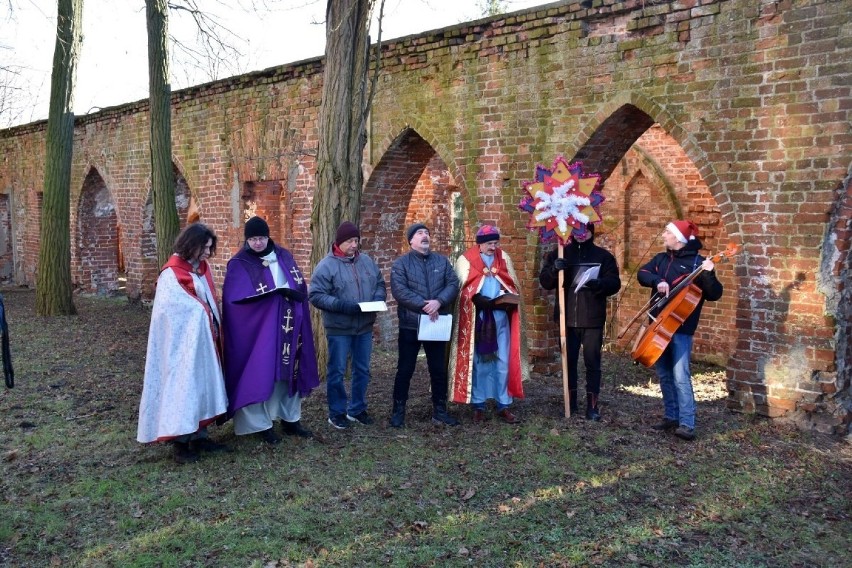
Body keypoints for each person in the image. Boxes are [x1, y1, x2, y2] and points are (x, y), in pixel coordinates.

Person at [137, 223, 230, 464]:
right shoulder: (172, 273)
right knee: (183, 388)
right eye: (205, 248)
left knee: (201, 386)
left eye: (210, 248)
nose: (208, 253)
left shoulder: (201, 268)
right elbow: (171, 309)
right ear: (192, 245)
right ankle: (181, 443)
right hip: (180, 347)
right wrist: (202, 313)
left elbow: (209, 299)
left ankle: (200, 436)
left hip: (202, 342)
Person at [222, 216, 320, 444]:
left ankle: (290, 418)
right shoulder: (239, 264)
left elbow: (299, 284)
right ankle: (260, 424)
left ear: (268, 237)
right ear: (247, 239)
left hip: (289, 325)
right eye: (254, 239)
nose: (258, 243)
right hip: (259, 333)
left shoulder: (283, 255)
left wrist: (290, 296)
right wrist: (268, 303)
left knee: (289, 372)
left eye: (262, 238)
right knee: (261, 372)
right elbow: (233, 301)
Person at [638, 220, 723, 441]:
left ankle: (687, 423)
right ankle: (671, 416)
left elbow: (714, 294)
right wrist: (658, 281)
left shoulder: (698, 263)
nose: (664, 235)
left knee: (680, 376)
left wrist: (710, 274)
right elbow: (642, 274)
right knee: (664, 374)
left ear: (678, 238)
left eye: (667, 232)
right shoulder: (661, 259)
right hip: (658, 324)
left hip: (681, 328)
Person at [309, 221, 387, 430]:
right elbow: (315, 295)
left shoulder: (367, 262)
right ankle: (337, 412)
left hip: (364, 327)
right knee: (337, 371)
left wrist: (378, 298)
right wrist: (340, 305)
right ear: (339, 242)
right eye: (350, 241)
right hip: (339, 328)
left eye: (356, 240)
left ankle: (357, 409)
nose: (354, 245)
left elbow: (379, 283)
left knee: (362, 369)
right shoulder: (326, 265)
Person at [539, 223, 621, 420]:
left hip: (592, 318)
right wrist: (553, 269)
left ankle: (592, 407)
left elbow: (614, 283)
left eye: (585, 231)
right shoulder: (560, 254)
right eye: (578, 231)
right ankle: (571, 402)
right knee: (569, 362)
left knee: (592, 362)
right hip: (566, 318)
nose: (581, 235)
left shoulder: (603, 256)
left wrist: (600, 283)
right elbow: (545, 281)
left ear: (592, 232)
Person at [448, 225, 528, 424]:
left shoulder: (504, 258)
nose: (494, 247)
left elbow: (512, 284)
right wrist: (475, 299)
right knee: (479, 362)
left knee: (502, 361)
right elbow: (460, 291)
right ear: (480, 244)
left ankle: (503, 404)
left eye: (495, 243)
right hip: (478, 318)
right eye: (490, 243)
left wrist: (508, 301)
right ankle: (478, 405)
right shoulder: (465, 260)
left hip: (501, 318)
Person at [389, 223, 460, 427]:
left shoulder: (442, 261)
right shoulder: (401, 264)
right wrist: (425, 306)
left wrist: (439, 302)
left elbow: (452, 284)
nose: (425, 236)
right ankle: (398, 411)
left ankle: (440, 410)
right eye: (420, 233)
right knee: (405, 369)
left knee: (438, 369)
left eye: (427, 233)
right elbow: (399, 291)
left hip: (436, 324)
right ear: (411, 240)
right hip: (411, 325)